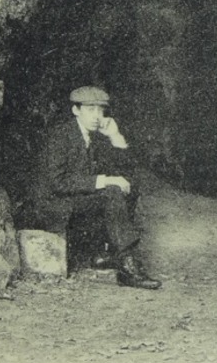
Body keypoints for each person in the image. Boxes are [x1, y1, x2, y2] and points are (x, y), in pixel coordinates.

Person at [29, 86, 162, 290]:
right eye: (90, 110)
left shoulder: (94, 135)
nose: (96, 116)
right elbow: (58, 183)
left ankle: (105, 254)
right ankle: (127, 265)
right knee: (111, 192)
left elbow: (125, 170)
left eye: (100, 111)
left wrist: (115, 136)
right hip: (53, 204)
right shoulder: (61, 136)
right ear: (76, 110)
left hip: (75, 199)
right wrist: (105, 181)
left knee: (128, 186)